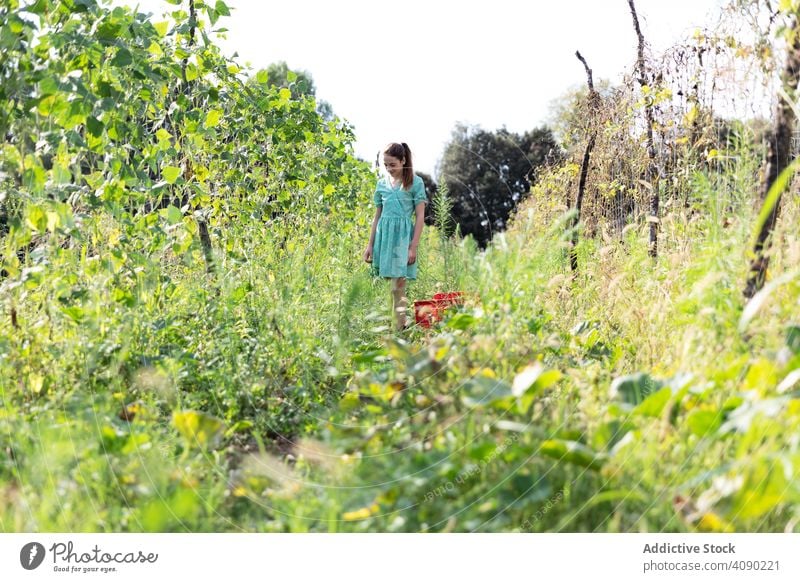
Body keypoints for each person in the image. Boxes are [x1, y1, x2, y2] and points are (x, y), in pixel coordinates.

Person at [363, 142, 427, 332]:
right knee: (389, 286)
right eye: (386, 165)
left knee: (398, 285)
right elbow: (377, 217)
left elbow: (420, 217)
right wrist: (370, 245)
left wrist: (413, 246)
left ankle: (399, 328)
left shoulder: (415, 183)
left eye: (393, 164)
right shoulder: (381, 184)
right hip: (384, 238)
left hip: (402, 240)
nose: (389, 169)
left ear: (403, 161)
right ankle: (396, 326)